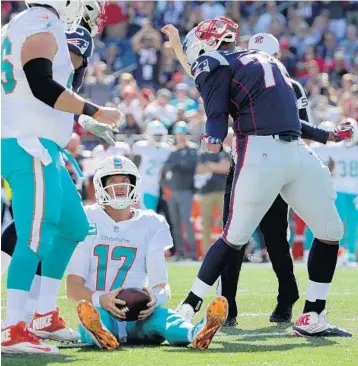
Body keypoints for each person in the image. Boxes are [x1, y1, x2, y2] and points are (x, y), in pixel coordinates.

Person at [164, 17, 352, 337]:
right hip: (281, 151)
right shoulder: (268, 64)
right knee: (241, 235)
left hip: (268, 151)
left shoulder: (214, 61)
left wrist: (211, 136)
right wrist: (328, 136)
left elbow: (217, 113)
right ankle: (189, 306)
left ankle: (312, 316)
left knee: (320, 230)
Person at [1, 1, 123, 355]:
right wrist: (93, 109)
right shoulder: (41, 20)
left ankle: (43, 315)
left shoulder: (20, 23)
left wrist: (82, 119)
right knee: (34, 237)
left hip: (37, 142)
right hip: (29, 144)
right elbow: (40, 82)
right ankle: (13, 328)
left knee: (72, 226)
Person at [218, 33, 356, 326]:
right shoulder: (235, 80)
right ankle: (226, 302)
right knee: (232, 237)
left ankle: (286, 295)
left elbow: (297, 128)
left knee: (275, 238)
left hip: (276, 166)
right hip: (243, 163)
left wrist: (323, 135)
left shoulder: (288, 87)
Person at [66, 155, 228, 351]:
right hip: (100, 309)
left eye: (124, 181)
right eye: (112, 181)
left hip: (137, 314)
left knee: (164, 317)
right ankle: (100, 333)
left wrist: (154, 300)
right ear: (101, 185)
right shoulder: (87, 218)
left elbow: (161, 285)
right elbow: (73, 288)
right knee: (93, 318)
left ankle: (195, 333)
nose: (119, 186)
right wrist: (102, 299)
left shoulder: (151, 223)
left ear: (134, 184)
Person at [163, 122, 198, 261]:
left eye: (182, 134)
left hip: (186, 191)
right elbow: (166, 169)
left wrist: (176, 166)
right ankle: (180, 252)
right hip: (173, 191)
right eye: (178, 135)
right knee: (175, 223)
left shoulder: (193, 150)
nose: (180, 137)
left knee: (187, 222)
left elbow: (189, 166)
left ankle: (193, 254)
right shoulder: (172, 152)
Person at [132, 120, 172, 211]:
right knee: (147, 215)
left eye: (160, 135)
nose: (158, 138)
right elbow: (133, 167)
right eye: (155, 135)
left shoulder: (166, 149)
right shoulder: (140, 147)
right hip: (143, 188)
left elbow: (165, 170)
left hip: (157, 189)